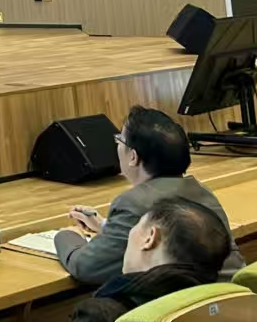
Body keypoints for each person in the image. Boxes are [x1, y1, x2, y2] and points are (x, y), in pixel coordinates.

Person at [54, 105, 244, 285]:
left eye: (119, 140)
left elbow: (87, 267)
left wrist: (68, 236)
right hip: (232, 296)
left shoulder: (132, 203)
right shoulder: (201, 191)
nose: (117, 145)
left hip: (188, 304)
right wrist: (105, 226)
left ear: (133, 157)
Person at [70, 197, 232, 321]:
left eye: (137, 226)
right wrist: (104, 227)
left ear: (150, 238)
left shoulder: (102, 314)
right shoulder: (223, 301)